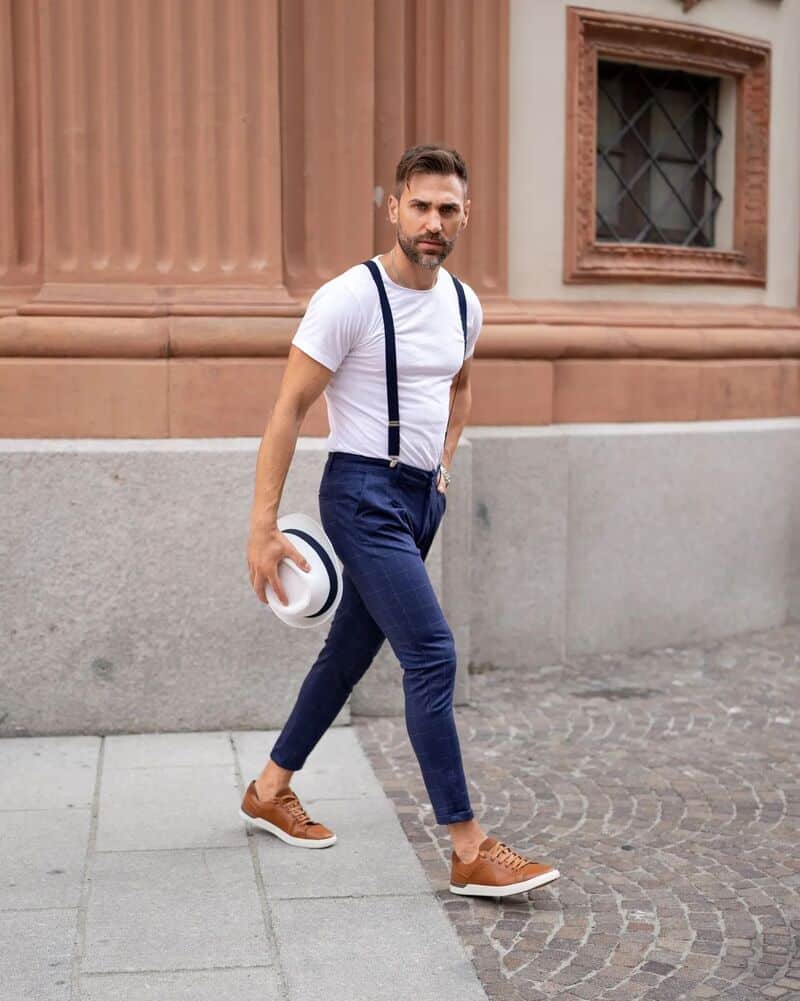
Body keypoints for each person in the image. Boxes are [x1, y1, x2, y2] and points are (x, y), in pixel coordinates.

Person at [242, 144, 560, 898]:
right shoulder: (349, 297)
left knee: (349, 654)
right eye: (420, 205)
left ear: (464, 215)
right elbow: (287, 409)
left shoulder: (463, 303)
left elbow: (460, 387)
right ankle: (467, 845)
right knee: (432, 652)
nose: (433, 221)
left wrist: (443, 464)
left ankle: (268, 787)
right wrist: (261, 525)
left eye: (448, 208)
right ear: (394, 208)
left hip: (422, 499)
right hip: (359, 494)